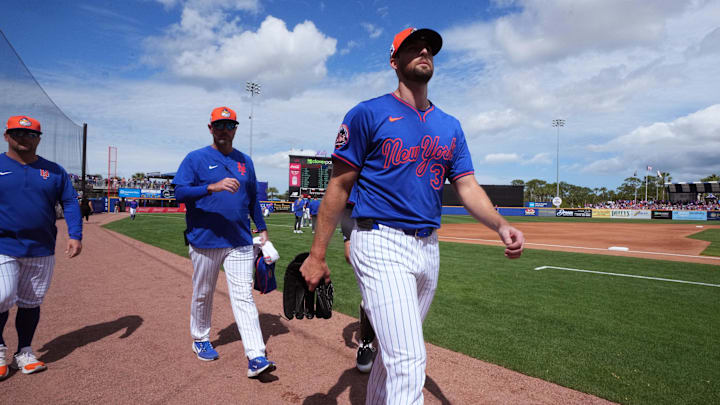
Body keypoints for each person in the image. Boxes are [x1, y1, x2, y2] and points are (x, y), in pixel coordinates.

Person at [300, 28, 525, 404]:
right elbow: (339, 186)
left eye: (429, 48)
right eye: (412, 47)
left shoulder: (450, 126)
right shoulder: (367, 114)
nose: (424, 50)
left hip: (428, 247)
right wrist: (317, 253)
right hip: (379, 240)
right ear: (394, 61)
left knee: (391, 361)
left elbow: (467, 186)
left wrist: (500, 224)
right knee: (409, 359)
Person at [173, 106, 276, 378]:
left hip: (239, 240)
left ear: (235, 129)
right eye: (219, 125)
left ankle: (256, 355)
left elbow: (252, 199)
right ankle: (200, 338)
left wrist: (262, 228)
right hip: (204, 240)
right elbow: (179, 192)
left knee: (243, 296)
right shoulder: (195, 159)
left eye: (229, 126)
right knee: (203, 292)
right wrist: (210, 187)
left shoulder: (245, 161)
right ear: (210, 128)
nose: (224, 130)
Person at [0, 115, 82, 378]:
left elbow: (69, 202)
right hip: (4, 244)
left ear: (38, 139)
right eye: (17, 133)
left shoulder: (54, 171)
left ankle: (23, 352)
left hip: (41, 246)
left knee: (30, 302)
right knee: (1, 297)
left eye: (31, 134)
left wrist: (75, 234)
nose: (24, 138)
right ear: (6, 136)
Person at [339, 201, 376, 373]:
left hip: (407, 236)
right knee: (372, 296)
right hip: (368, 234)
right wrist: (347, 238)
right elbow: (347, 200)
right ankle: (366, 342)